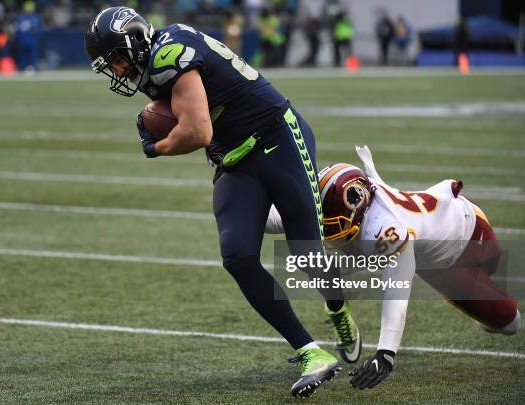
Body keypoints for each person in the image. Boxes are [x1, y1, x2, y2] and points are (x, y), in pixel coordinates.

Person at [84, 7, 361, 398]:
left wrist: (157, 146)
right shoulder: (152, 60)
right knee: (237, 255)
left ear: (133, 43)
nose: (117, 70)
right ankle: (310, 351)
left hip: (276, 138)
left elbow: (197, 130)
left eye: (116, 59)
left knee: (305, 256)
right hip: (234, 157)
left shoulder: (168, 54)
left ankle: (337, 310)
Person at [266, 145, 521, 389]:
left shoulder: (387, 228)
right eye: (327, 225)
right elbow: (284, 218)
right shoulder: (356, 208)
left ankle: (482, 313)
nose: (331, 234)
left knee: (508, 319)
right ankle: (337, 308)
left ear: (359, 206)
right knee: (314, 262)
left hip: (467, 233)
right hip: (435, 266)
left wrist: (385, 354)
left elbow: (396, 291)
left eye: (336, 225)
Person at [13, 0, 42, 72]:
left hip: (32, 40)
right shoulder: (20, 17)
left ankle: (33, 67)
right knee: (22, 55)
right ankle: (21, 67)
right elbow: (17, 30)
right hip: (23, 40)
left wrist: (36, 38)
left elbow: (39, 30)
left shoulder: (36, 17)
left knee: (33, 55)